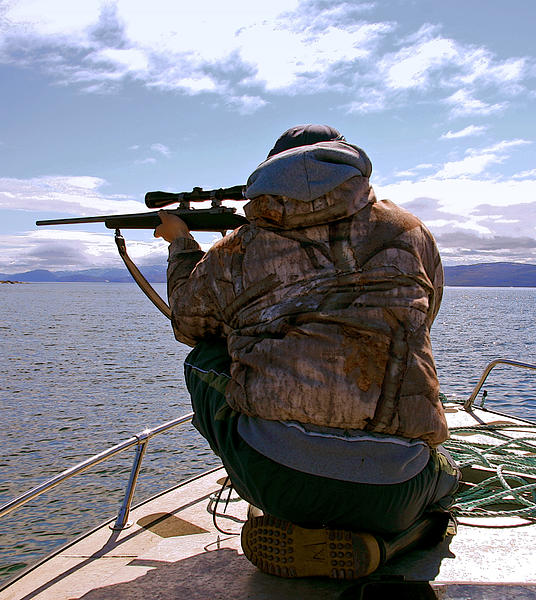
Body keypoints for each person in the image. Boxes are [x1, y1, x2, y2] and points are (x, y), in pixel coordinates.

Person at [154, 125, 459, 580]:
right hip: (397, 487)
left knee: (205, 359)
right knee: (444, 481)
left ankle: (275, 496)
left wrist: (182, 245)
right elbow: (424, 314)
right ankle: (390, 543)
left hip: (277, 479)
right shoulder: (409, 230)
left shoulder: (233, 249)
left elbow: (189, 325)